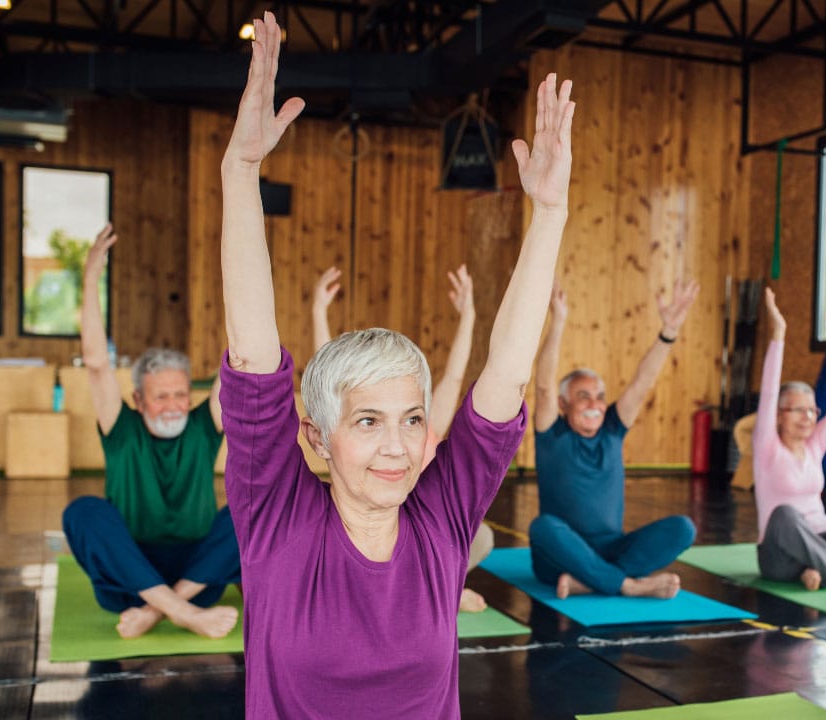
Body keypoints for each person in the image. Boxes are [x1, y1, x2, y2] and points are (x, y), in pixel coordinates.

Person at [218, 12, 572, 718]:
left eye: (412, 418)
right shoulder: (276, 522)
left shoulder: (440, 521)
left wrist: (552, 215)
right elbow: (256, 358)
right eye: (369, 420)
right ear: (316, 437)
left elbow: (502, 376)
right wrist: (241, 172)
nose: (398, 444)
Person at [62, 224, 239, 640]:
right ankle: (181, 613)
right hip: (129, 576)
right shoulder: (122, 427)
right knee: (83, 512)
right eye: (161, 397)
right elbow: (95, 361)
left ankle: (158, 611)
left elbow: (241, 350)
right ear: (138, 399)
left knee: (248, 510)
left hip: (198, 576)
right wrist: (91, 277)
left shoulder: (202, 424)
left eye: (181, 394)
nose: (175, 404)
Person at [312, 264, 494, 612]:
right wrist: (318, 310)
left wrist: (469, 314)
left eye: (410, 418)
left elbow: (455, 376)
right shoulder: (354, 427)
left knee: (482, 536)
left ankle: (445, 588)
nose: (395, 445)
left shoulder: (428, 427)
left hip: (417, 537)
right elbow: (330, 383)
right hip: (367, 536)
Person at [529, 277, 700, 600]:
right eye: (583, 396)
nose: (595, 404)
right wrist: (559, 322)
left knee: (683, 528)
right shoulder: (552, 434)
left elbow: (642, 382)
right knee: (543, 527)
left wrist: (669, 333)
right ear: (564, 404)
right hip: (558, 556)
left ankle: (590, 581)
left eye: (599, 396)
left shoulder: (612, 429)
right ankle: (627, 585)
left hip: (611, 549)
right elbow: (543, 384)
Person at [752, 287, 826, 591]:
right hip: (778, 556)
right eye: (797, 410)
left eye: (811, 410)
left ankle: (815, 569)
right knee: (785, 515)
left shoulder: (815, 446)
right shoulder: (767, 449)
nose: (807, 417)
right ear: (779, 414)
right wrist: (779, 333)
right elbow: (768, 392)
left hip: (820, 539)